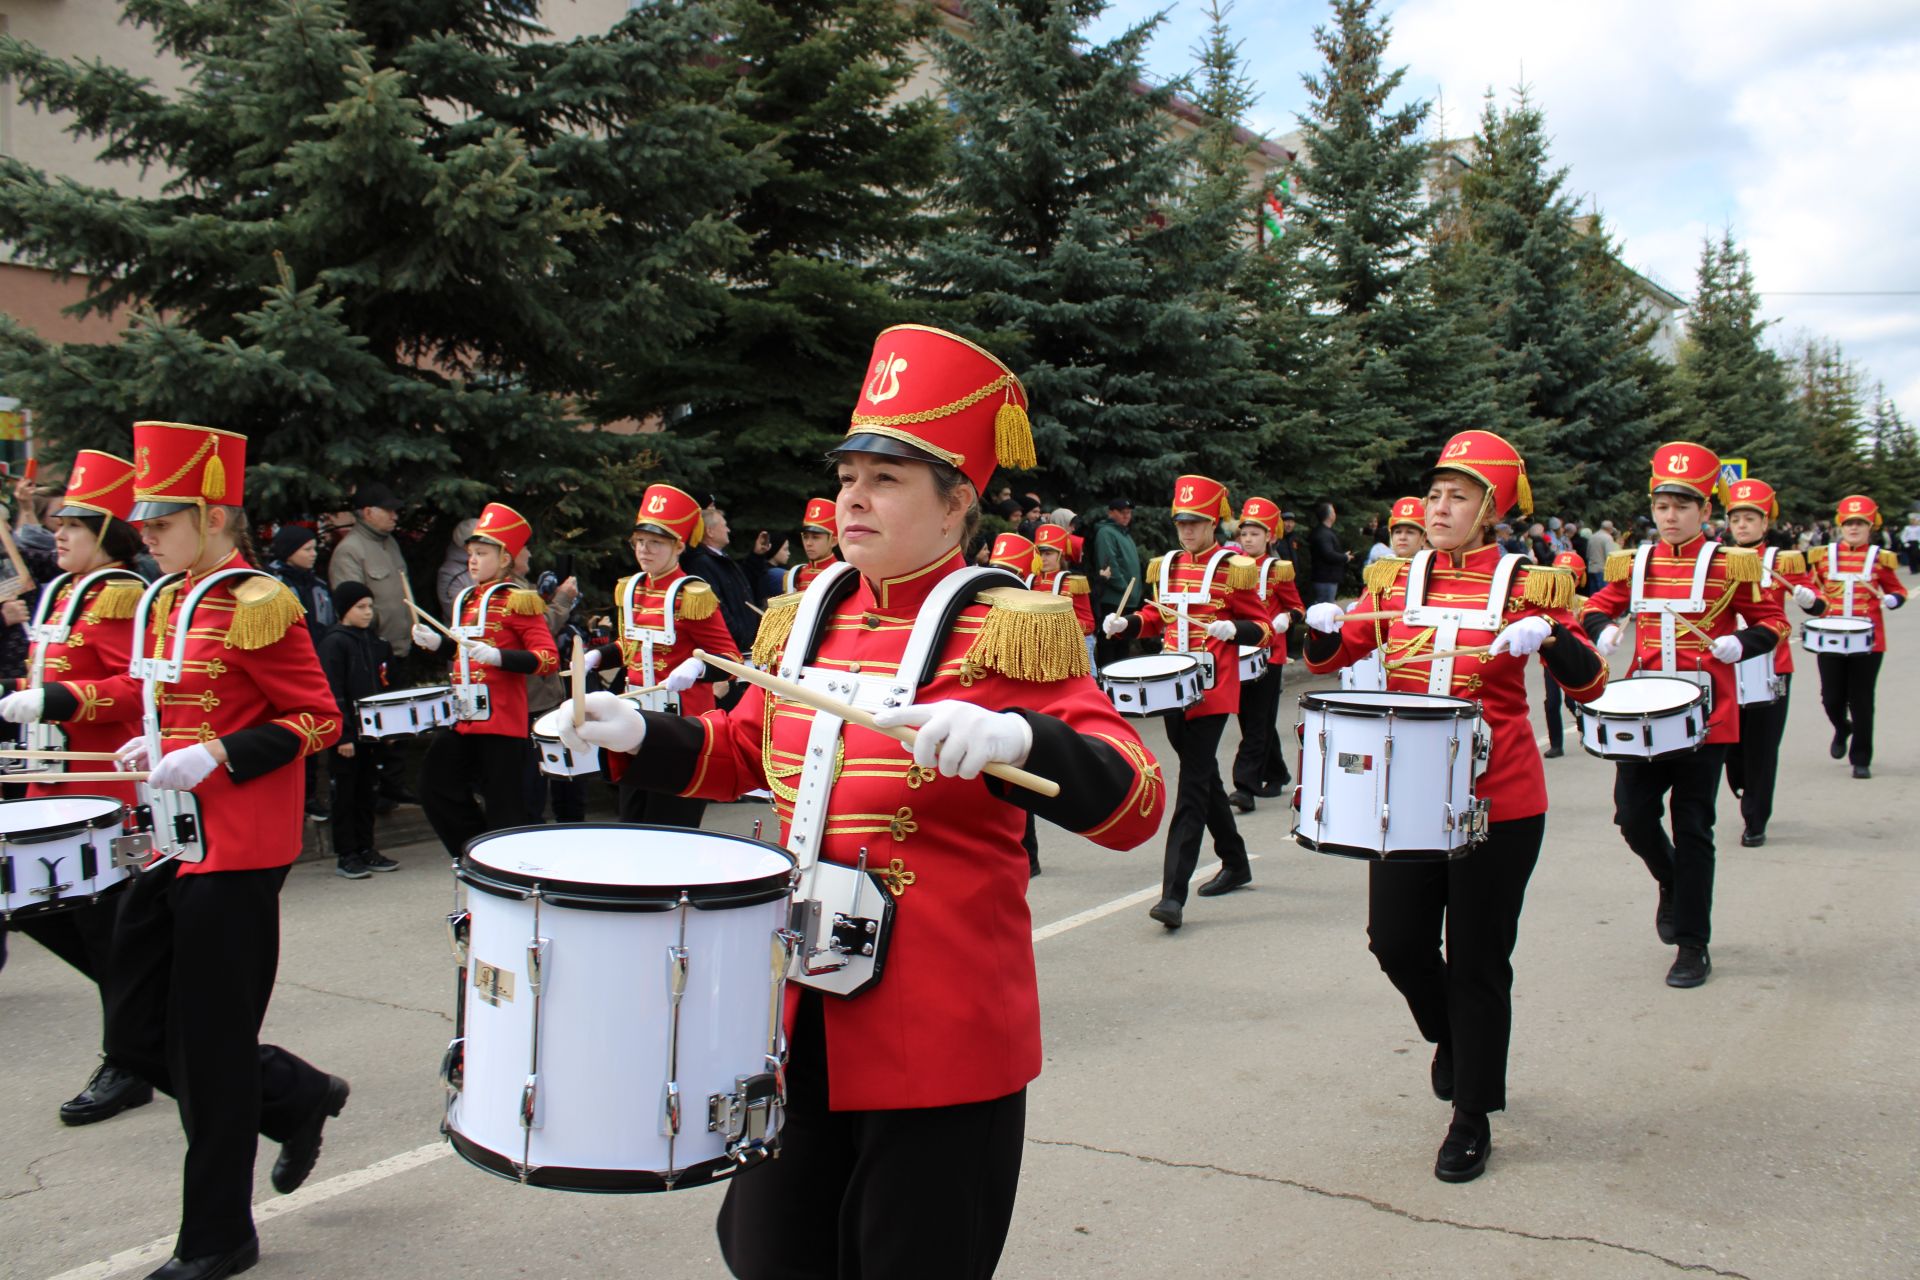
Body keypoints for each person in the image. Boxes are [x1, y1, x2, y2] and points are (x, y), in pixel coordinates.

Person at [559, 324, 1165, 1279]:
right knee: (769, 1256)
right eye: (848, 477)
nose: (853, 497)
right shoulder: (807, 612)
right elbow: (741, 750)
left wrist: (1022, 738)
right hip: (794, 1014)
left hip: (939, 1035)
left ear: (958, 500)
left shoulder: (1013, 628)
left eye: (886, 479)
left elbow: (1136, 802)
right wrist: (639, 736)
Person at [7, 421, 348, 1280]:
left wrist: (219, 754)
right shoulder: (165, 597)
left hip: (236, 848)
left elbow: (318, 718)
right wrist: (62, 702)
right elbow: (142, 689)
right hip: (169, 838)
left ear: (211, 516)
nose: (144, 534)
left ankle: (218, 1236)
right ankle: (297, 1094)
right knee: (134, 1027)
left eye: (160, 522)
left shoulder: (257, 601)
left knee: (210, 1043)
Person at [1303, 429, 1608, 1184]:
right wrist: (1319, 631)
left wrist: (1551, 640)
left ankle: (1472, 1115)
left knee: (1478, 961)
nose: (1441, 508)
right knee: (1395, 942)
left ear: (1491, 509)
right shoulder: (1392, 583)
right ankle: (1454, 1038)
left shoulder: (1528, 584)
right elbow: (1333, 658)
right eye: (1435, 494)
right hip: (1404, 796)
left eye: (1459, 497)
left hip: (1497, 798)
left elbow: (1591, 682)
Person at [1581, 441, 1787, 989]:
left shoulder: (1732, 564)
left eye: (1682, 507)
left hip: (1709, 715)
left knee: (1694, 824)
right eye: (1662, 507)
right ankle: (1671, 880)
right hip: (1645, 711)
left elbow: (1773, 622)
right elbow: (1599, 605)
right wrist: (1604, 629)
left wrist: (1740, 645)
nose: (1670, 517)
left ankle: (1693, 944)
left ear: (1705, 512)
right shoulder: (1636, 563)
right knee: (1631, 815)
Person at [0, 450, 153, 1126]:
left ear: (109, 533)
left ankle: (129, 1056)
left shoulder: (119, 590)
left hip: (101, 795)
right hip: (50, 786)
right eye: (57, 522)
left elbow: (136, 690)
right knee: (48, 917)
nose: (57, 534)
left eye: (75, 525)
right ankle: (149, 1019)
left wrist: (60, 699)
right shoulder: (65, 590)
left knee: (106, 930)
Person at [1104, 474, 1272, 929]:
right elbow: (1157, 615)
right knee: (1205, 780)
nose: (1187, 530)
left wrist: (1234, 630)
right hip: (1171, 686)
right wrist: (1130, 625)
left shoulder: (1234, 568)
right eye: (1181, 522)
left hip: (1214, 690)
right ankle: (1236, 861)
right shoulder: (1170, 563)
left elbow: (1266, 628)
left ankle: (1172, 896)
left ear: (1214, 522)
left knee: (1191, 787)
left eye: (1196, 522)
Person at [586, 482, 739, 827]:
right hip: (636, 720)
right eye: (640, 541)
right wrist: (600, 656)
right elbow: (630, 649)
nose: (645, 549)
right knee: (633, 819)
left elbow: (730, 660)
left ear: (679, 546)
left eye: (656, 542)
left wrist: (699, 667)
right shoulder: (632, 589)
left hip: (679, 726)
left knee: (671, 824)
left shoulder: (693, 594)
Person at [411, 503, 559, 855]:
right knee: (434, 785)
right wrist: (440, 645)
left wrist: (501, 657)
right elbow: (465, 653)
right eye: (471, 553)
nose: (472, 561)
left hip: (503, 724)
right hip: (465, 720)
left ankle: (503, 874)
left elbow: (548, 659)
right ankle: (475, 853)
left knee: (505, 813)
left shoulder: (519, 600)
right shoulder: (467, 598)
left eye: (481, 553)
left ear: (505, 558)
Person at [1719, 480, 1822, 843]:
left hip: (1772, 664)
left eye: (1750, 518)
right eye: (1736, 519)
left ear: (1765, 523)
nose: (1742, 525)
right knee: (1731, 746)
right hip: (1727, 664)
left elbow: (1819, 603)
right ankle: (1746, 788)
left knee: (1762, 746)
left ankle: (1756, 819)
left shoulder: (1784, 561)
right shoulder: (1717, 561)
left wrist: (1810, 599)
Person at [1807, 494, 1906, 779]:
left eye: (1860, 524)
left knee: (1862, 699)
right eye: (1849, 523)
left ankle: (1861, 757)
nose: (1853, 528)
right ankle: (1841, 727)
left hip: (1869, 642)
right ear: (1841, 525)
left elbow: (1897, 590)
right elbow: (1813, 589)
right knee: (1831, 697)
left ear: (1870, 527)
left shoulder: (1880, 560)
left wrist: (1892, 600)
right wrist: (1808, 598)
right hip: (1831, 638)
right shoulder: (1823, 557)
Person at [1227, 496, 1305, 813]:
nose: (1248, 539)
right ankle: (1277, 772)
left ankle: (1244, 786)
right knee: (1252, 719)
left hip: (1269, 655)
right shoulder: (1230, 568)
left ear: (1269, 537)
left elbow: (1298, 606)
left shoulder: (1278, 569)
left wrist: (1288, 619)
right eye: (1244, 534)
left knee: (1257, 720)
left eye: (1255, 534)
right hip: (1239, 654)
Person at [317, 581, 395, 878]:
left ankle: (366, 847)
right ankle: (346, 853)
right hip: (347, 736)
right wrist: (343, 734)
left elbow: (383, 687)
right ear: (344, 610)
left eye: (370, 607)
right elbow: (332, 691)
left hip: (371, 733)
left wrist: (388, 729)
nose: (367, 613)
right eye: (360, 607)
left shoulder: (372, 642)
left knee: (367, 791)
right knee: (345, 793)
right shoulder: (334, 643)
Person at [326, 482, 410, 660]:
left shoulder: (391, 542)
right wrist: (376, 627)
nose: (395, 516)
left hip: (401, 649)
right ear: (368, 513)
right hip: (372, 653)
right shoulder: (350, 550)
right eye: (389, 510)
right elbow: (350, 607)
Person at [682, 496, 763, 659]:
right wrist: (739, 636)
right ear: (710, 531)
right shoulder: (701, 563)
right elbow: (717, 605)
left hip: (741, 646)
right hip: (730, 650)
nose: (728, 530)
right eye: (724, 526)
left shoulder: (718, 558)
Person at [1088, 497, 1142, 667]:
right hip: (1114, 599)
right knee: (1109, 645)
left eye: (1129, 512)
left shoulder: (1124, 533)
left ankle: (1121, 683)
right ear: (1111, 513)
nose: (1126, 516)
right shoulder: (1106, 532)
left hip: (1127, 598)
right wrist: (1125, 588)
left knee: (1122, 644)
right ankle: (1107, 685)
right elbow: (1109, 563)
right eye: (1122, 512)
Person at [783, 496, 840, 594]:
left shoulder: (842, 574)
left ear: (833, 541)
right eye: (805, 537)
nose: (808, 543)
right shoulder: (794, 575)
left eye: (815, 537)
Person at [1308, 501, 1348, 604]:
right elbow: (1328, 554)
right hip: (1325, 578)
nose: (1335, 514)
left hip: (1327, 578)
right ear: (1330, 515)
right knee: (1326, 607)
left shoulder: (1324, 532)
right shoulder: (1323, 534)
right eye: (1333, 512)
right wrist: (1344, 557)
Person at [1586, 520, 1617, 594]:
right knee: (1603, 594)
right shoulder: (1608, 538)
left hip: (1591, 568)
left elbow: (1587, 554)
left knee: (1593, 594)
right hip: (1602, 570)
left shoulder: (1592, 536)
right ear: (1610, 529)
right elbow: (1610, 555)